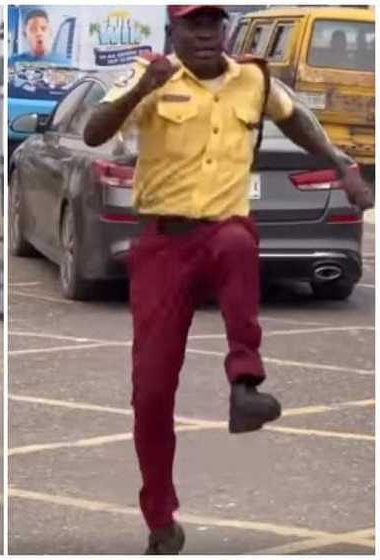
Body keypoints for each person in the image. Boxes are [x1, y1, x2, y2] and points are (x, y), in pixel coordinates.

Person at [82, 5, 373, 554]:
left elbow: (297, 121)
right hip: (163, 243)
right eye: (192, 24)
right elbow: (97, 132)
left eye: (213, 23)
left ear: (226, 30)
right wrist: (143, 83)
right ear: (174, 30)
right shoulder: (151, 74)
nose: (204, 35)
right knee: (150, 393)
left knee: (239, 240)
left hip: (222, 234)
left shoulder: (252, 80)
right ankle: (161, 521)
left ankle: (246, 386)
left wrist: (343, 168)